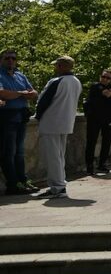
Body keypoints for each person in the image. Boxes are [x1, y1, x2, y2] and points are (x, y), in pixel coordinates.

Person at [34, 56, 83, 199]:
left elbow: (43, 101)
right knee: (60, 155)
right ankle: (60, 184)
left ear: (61, 66)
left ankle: (57, 188)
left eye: (57, 65)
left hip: (51, 122)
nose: (55, 68)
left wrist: (37, 116)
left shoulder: (56, 81)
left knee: (53, 156)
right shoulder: (76, 82)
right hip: (66, 122)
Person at [0, 49, 40, 195]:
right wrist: (22, 94)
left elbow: (34, 93)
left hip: (21, 117)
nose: (10, 60)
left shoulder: (20, 75)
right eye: (7, 58)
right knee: (8, 152)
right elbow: (3, 94)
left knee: (20, 152)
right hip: (7, 117)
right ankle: (13, 184)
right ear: (1, 60)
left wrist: (17, 95)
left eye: (13, 58)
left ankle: (22, 181)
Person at [84, 69, 111, 174]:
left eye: (108, 78)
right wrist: (102, 94)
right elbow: (91, 100)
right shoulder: (95, 87)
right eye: (103, 77)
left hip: (108, 119)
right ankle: (89, 166)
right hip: (94, 119)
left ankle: (102, 164)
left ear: (110, 79)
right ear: (100, 77)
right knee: (91, 142)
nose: (105, 79)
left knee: (107, 142)